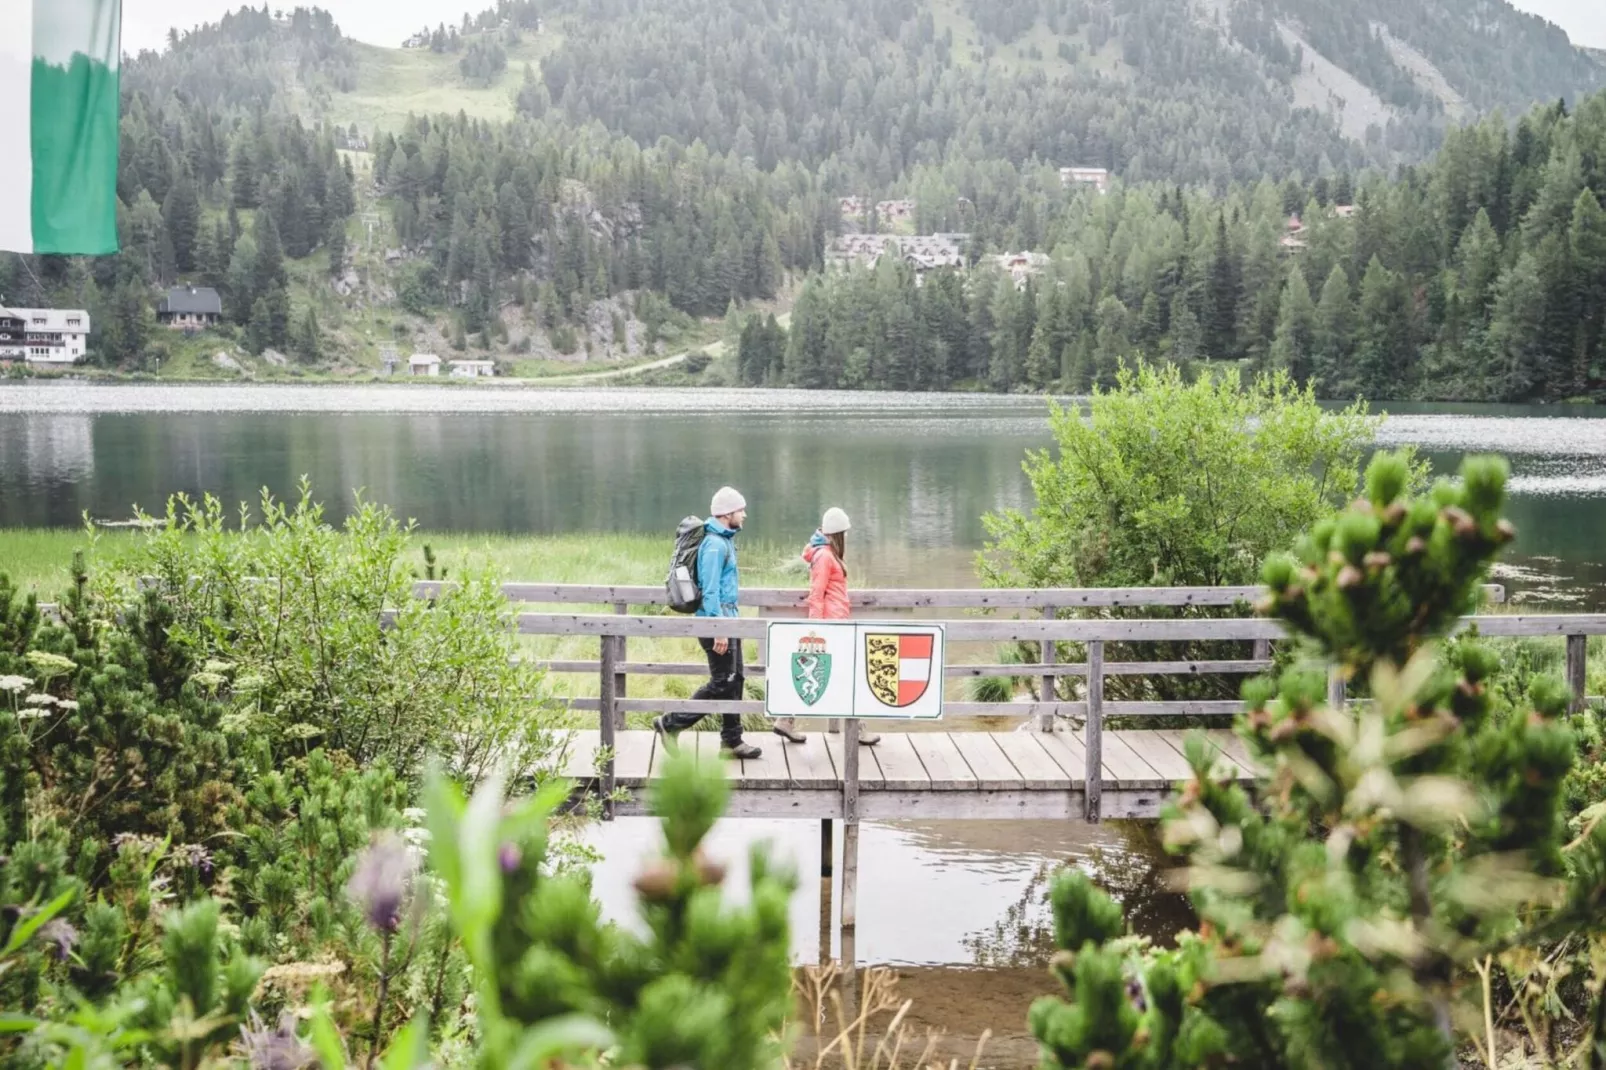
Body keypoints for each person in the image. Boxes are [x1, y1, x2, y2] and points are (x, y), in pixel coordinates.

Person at [654, 486, 762, 759]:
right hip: (717, 624)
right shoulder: (714, 545)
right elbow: (710, 590)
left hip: (729, 621)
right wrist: (719, 629)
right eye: (741, 510)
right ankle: (670, 724)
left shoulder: (724, 539)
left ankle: (732, 741)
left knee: (735, 679)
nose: (745, 515)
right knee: (722, 681)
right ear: (727, 513)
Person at [773, 506, 879, 746]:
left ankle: (786, 719)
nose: (848, 537)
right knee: (846, 675)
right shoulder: (824, 557)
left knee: (831, 674)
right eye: (845, 532)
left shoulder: (826, 554)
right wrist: (816, 628)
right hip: (830, 626)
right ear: (838, 534)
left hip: (835, 623)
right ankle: (859, 729)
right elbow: (816, 593)